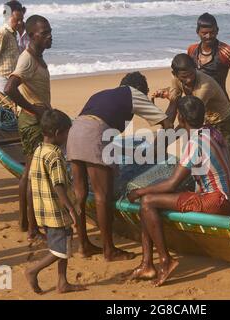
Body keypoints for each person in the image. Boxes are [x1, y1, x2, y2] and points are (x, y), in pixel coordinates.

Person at [127, 96, 230, 286]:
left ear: (181, 118)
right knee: (148, 204)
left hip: (214, 201)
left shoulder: (195, 143)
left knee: (147, 202)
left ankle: (165, 261)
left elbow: (171, 184)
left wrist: (140, 191)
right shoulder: (211, 131)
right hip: (223, 196)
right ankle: (147, 263)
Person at [66, 71, 173, 259]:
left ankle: (84, 245)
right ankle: (109, 250)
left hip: (74, 133)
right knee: (102, 196)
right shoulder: (134, 94)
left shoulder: (102, 94)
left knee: (80, 194)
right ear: (141, 89)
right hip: (94, 134)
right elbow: (167, 123)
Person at [4, 15, 53, 241]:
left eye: (50, 31)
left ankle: (25, 222)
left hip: (37, 118)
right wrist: (34, 109)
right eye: (44, 33)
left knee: (27, 173)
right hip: (32, 121)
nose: (49, 36)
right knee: (34, 174)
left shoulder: (37, 57)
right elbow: (9, 88)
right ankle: (33, 228)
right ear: (32, 35)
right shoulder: (27, 60)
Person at [25, 109, 84, 294]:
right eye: (67, 133)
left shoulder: (39, 150)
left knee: (63, 245)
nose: (68, 137)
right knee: (59, 250)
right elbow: (59, 185)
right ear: (58, 133)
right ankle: (33, 271)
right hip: (57, 212)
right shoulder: (55, 155)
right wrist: (72, 210)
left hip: (43, 209)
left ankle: (62, 282)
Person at [154, 53, 230, 173]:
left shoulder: (204, 86)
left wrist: (168, 140)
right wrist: (165, 132)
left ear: (195, 69)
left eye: (191, 75)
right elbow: (173, 105)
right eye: (184, 77)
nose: (188, 79)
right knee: (204, 160)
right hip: (206, 119)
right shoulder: (176, 80)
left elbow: (190, 119)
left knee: (224, 161)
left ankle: (227, 189)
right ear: (175, 74)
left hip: (225, 120)